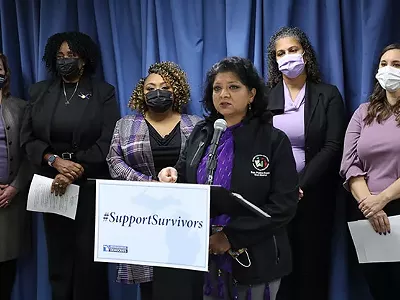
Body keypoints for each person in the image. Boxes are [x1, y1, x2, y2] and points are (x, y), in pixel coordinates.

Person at [158, 56, 299, 300]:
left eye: (233, 87)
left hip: (254, 256)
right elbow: (182, 175)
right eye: (217, 88)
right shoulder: (201, 134)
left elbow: (283, 206)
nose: (224, 94)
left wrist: (230, 237)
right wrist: (169, 174)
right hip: (202, 255)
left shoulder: (273, 140)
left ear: (252, 94)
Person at [20, 32, 120, 300]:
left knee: (88, 258)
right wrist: (55, 161)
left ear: (84, 60)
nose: (65, 61)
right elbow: (27, 138)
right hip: (51, 183)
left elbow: (108, 139)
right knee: (59, 256)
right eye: (60, 56)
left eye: (71, 56)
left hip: (89, 184)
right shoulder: (39, 91)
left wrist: (75, 168)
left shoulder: (103, 92)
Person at [106, 61, 201, 300]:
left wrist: (178, 177)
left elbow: (207, 163)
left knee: (186, 283)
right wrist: (148, 182)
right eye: (150, 88)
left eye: (164, 86)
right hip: (142, 216)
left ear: (176, 90)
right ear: (141, 92)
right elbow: (113, 161)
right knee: (149, 285)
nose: (156, 92)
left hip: (186, 218)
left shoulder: (197, 124)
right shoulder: (125, 125)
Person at [265, 27, 346, 300]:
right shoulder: (265, 99)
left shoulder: (328, 94)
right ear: (274, 60)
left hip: (314, 196)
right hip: (273, 200)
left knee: (312, 270)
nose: (288, 57)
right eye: (281, 53)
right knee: (279, 273)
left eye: (293, 50)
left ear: (305, 54)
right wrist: (280, 189)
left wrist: (299, 186)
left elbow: (334, 146)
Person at [340, 43, 400, 300]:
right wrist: (370, 204)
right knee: (379, 288)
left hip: (394, 207)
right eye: (384, 64)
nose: (389, 70)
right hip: (367, 214)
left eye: (396, 65)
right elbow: (349, 163)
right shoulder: (363, 112)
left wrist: (383, 199)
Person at [0, 53, 31, 300]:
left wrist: (15, 187)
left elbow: (31, 153)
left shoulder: (20, 108)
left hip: (9, 202)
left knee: (5, 269)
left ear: (5, 73)